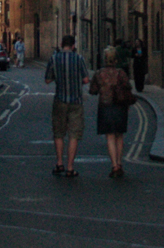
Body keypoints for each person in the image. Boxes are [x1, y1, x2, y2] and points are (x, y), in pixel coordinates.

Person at [44, 34, 89, 177]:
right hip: (76, 101)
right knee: (74, 135)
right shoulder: (79, 59)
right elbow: (86, 79)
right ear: (73, 46)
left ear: (61, 45)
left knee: (59, 133)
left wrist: (57, 76)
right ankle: (70, 168)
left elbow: (47, 80)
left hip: (60, 100)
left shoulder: (54, 59)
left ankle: (59, 163)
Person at [89, 47, 135, 177]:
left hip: (105, 106)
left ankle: (114, 166)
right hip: (120, 106)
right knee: (119, 136)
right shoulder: (121, 73)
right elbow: (128, 87)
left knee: (110, 136)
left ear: (105, 59)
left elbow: (93, 91)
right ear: (116, 60)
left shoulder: (99, 74)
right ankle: (119, 164)